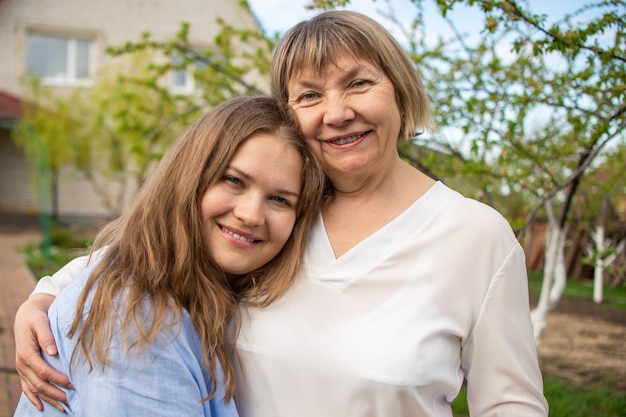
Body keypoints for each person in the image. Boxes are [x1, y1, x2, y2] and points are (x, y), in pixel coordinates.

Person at [14, 10, 549, 417]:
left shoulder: (475, 237)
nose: (337, 112)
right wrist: (45, 295)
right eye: (309, 94)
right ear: (289, 116)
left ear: (402, 96)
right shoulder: (282, 214)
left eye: (359, 83)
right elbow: (162, 249)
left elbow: (511, 405)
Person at [12, 95, 325, 416]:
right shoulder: (139, 322)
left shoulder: (200, 285)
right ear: (190, 177)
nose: (251, 214)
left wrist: (41, 297)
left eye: (280, 199)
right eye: (234, 180)